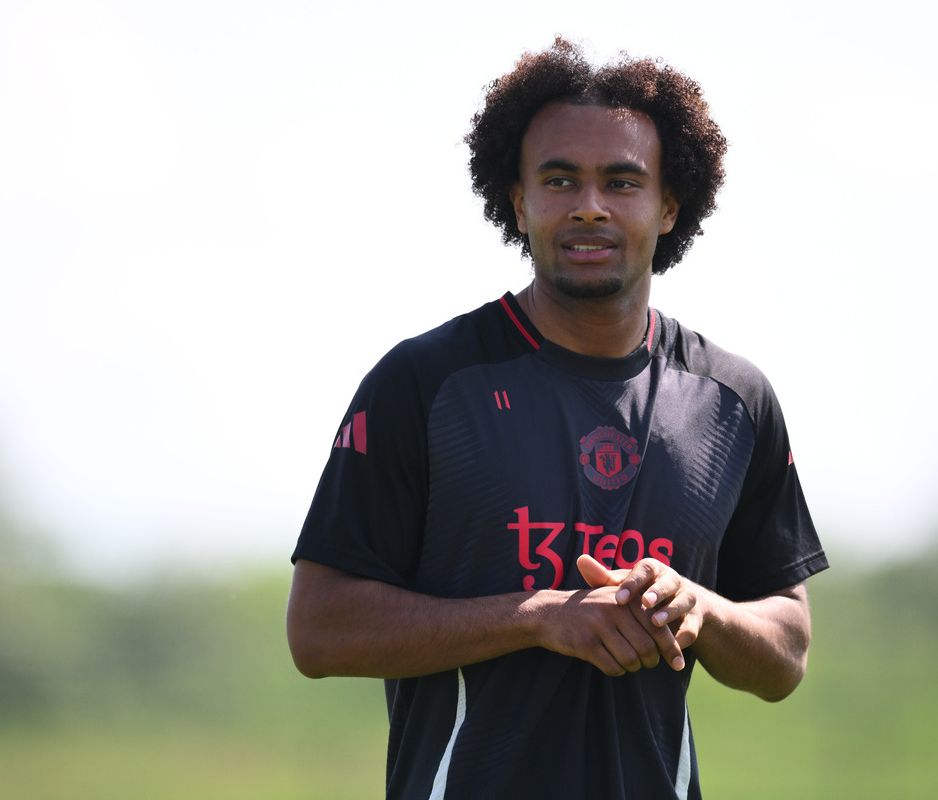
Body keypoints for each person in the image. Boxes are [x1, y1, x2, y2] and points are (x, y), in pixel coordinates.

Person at [287, 37, 829, 800]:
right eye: (559, 179)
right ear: (518, 201)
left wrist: (698, 608)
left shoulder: (733, 401)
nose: (589, 205)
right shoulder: (426, 384)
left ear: (670, 205)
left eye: (622, 181)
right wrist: (538, 616)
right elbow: (318, 630)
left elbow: (786, 654)